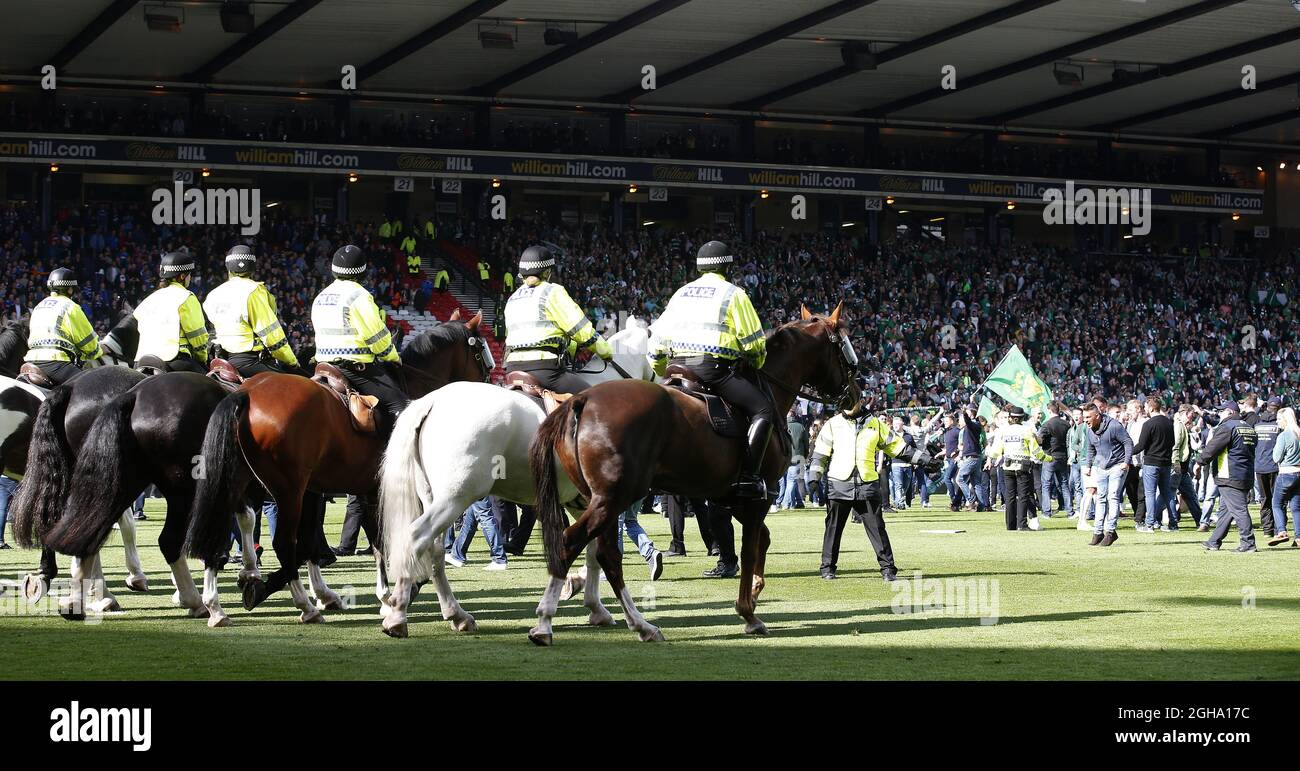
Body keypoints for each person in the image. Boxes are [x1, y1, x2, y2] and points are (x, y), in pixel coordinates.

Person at [650, 240, 773, 499]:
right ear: (727, 267)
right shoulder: (733, 294)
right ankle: (749, 478)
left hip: (675, 369)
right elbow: (754, 343)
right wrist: (757, 360)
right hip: (712, 370)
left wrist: (663, 370)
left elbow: (656, 344)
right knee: (763, 408)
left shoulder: (680, 293)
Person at [809, 394, 930, 582]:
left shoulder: (876, 424)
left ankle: (888, 569)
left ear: (860, 402)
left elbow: (900, 448)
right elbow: (820, 454)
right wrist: (813, 479)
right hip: (839, 485)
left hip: (867, 485)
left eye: (851, 400)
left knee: (878, 530)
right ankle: (827, 568)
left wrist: (926, 461)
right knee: (833, 529)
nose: (848, 405)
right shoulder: (832, 424)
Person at [311, 244, 406, 438]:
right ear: (362, 271)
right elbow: (376, 337)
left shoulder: (320, 296)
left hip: (323, 365)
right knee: (400, 405)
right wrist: (393, 356)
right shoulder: (359, 296)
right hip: (355, 369)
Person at [503, 244, 612, 394]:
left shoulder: (512, 299)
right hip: (545, 370)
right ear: (547, 272)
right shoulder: (552, 291)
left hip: (512, 369)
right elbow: (581, 330)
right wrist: (606, 352)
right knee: (594, 398)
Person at [203, 245, 304, 378]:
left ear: (228, 267)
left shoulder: (212, 295)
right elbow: (271, 334)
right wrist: (291, 361)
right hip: (251, 361)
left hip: (222, 361)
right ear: (252, 267)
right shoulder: (255, 291)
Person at [21, 267, 103, 384]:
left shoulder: (38, 306)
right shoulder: (71, 307)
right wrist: (99, 350)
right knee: (95, 386)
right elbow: (90, 346)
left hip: (31, 360)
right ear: (70, 290)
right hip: (56, 362)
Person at [133, 249, 210, 374]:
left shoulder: (148, 300)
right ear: (182, 276)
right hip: (173, 359)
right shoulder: (186, 297)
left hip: (141, 362)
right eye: (189, 274)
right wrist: (202, 359)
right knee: (215, 389)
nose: (190, 278)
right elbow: (197, 336)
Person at [1200, 401, 1258, 553]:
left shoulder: (1227, 427)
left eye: (1222, 411)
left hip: (1229, 475)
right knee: (1226, 511)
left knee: (1239, 510)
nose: (1220, 414)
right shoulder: (1248, 428)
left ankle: (1248, 543)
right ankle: (1214, 541)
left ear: (1230, 412)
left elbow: (1212, 448)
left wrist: (1199, 462)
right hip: (1245, 474)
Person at [986, 404, 1051, 531]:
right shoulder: (1027, 431)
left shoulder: (1003, 431)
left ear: (1010, 418)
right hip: (1023, 467)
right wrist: (1049, 458)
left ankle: (1010, 525)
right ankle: (1022, 524)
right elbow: (1037, 452)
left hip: (1008, 467)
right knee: (1023, 496)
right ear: (1022, 419)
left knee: (1009, 496)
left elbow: (994, 452)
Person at [1083, 402, 1133, 547]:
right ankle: (1098, 532)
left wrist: (1126, 461)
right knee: (1100, 499)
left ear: (1097, 416)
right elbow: (1090, 448)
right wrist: (1088, 466)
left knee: (1113, 497)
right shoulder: (1089, 430)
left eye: (1088, 417)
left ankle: (1110, 531)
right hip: (1101, 466)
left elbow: (1128, 442)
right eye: (1084, 417)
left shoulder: (1114, 426)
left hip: (1117, 465)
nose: (1085, 420)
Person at [1132, 398, 1176, 532]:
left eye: (1146, 407)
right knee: (1167, 494)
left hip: (1151, 462)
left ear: (1151, 408)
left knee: (1150, 493)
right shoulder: (1169, 423)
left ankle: (1150, 524)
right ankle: (1173, 523)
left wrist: (1128, 452)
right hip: (1166, 463)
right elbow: (1173, 442)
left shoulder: (1148, 424)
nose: (1145, 410)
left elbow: (1141, 445)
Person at [1269, 406, 1300, 547]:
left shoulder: (1283, 435)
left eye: (1279, 419)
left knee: (1276, 504)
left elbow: (1276, 457)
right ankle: (1299, 537)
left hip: (1286, 473)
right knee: (1296, 507)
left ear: (1285, 420)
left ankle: (1281, 531)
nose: (1277, 422)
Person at [1252, 396, 1281, 537]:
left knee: (1264, 499)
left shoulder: (1257, 423)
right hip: (1275, 467)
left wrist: (1259, 407)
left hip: (1259, 466)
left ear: (1267, 406)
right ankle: (1277, 528)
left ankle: (1267, 530)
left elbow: (1250, 416)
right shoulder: (1280, 425)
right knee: (1277, 499)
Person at [1037, 401, 1071, 518]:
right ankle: (1070, 511)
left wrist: (1033, 438)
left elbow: (1040, 441)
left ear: (1049, 410)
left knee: (1046, 485)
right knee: (1064, 484)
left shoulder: (1046, 425)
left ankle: (1046, 512)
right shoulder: (1066, 424)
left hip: (1050, 456)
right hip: (1063, 456)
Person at [777, 407, 808, 511]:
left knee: (787, 481)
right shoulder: (801, 427)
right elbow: (806, 444)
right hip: (797, 457)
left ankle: (797, 502)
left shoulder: (781, 426)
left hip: (783, 457)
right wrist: (805, 455)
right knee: (792, 481)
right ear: (795, 415)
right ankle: (785, 503)